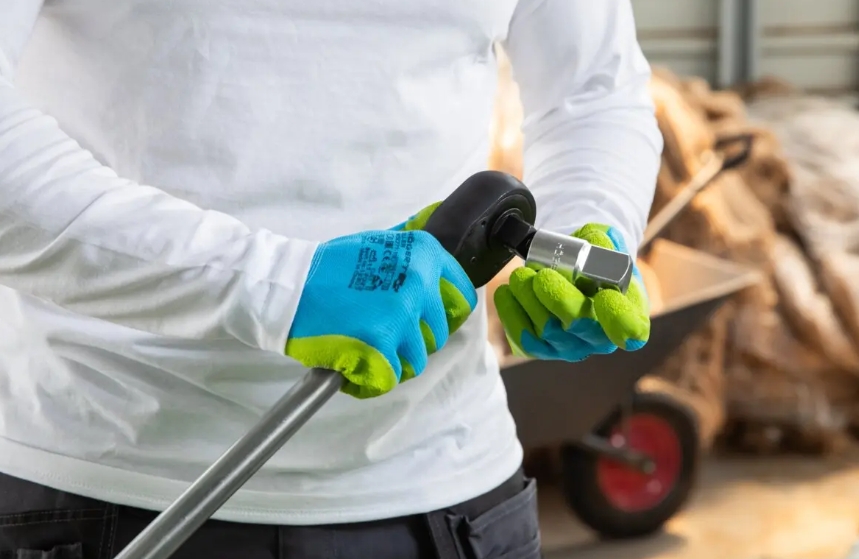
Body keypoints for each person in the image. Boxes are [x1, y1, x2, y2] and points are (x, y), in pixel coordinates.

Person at [0, 0, 661, 557]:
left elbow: (592, 92)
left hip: (449, 491)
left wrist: (587, 219)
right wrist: (275, 284)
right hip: (115, 485)